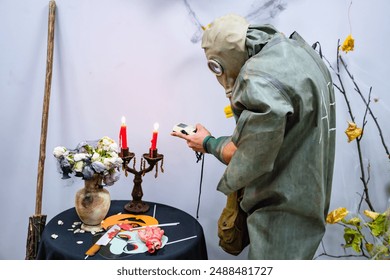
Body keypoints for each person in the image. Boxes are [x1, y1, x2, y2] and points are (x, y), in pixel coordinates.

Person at [171, 14, 336, 260]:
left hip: (281, 212)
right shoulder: (298, 54)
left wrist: (207, 143)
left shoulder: (259, 78)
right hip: (309, 202)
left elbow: (243, 155)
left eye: (216, 65)